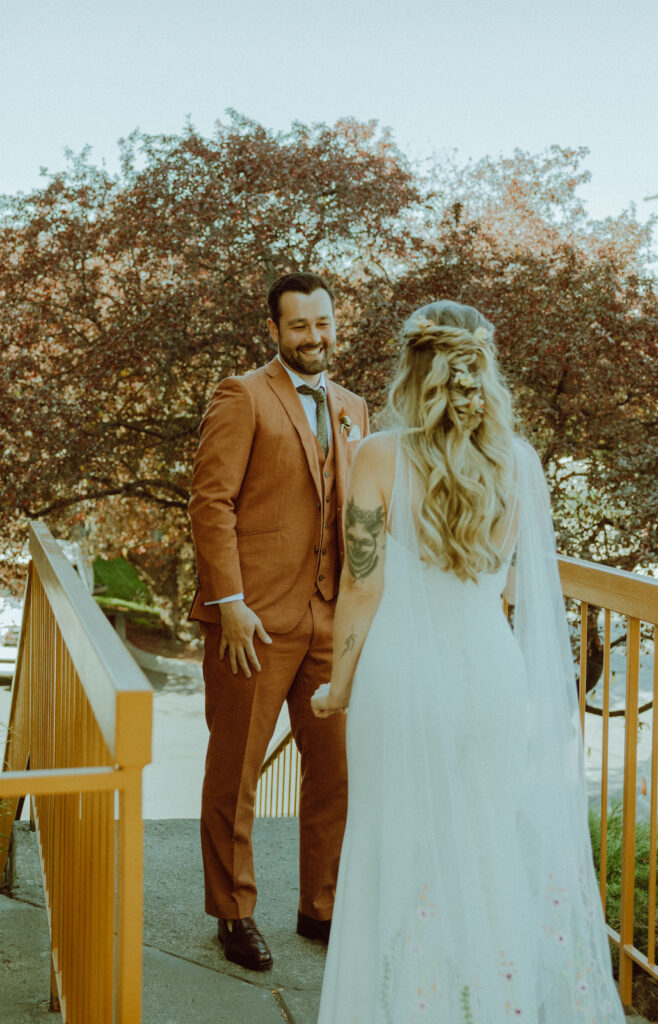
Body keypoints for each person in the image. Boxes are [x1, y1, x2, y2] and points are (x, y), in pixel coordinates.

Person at [311, 300, 626, 1022]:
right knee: (484, 843)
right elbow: (514, 586)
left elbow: (362, 585)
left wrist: (337, 686)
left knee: (398, 840)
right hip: (490, 674)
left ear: (411, 368)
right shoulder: (518, 462)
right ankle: (486, 1003)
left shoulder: (379, 455)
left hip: (401, 678)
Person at [188, 272, 369, 971]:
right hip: (253, 623)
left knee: (337, 771)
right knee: (235, 771)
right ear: (274, 330)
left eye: (323, 323)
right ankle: (233, 913)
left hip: (333, 618)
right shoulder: (242, 395)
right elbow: (212, 504)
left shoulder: (354, 407)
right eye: (299, 327)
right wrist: (229, 604)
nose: (315, 337)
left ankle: (319, 908)